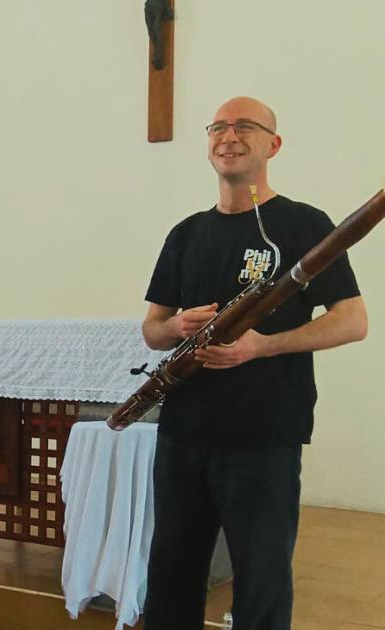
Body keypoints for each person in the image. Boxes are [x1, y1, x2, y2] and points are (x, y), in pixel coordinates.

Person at [139, 97, 368, 629]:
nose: (228, 135)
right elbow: (152, 330)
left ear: (273, 144)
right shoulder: (186, 233)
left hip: (264, 435)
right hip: (183, 434)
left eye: (244, 126)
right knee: (171, 575)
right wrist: (175, 327)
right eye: (218, 127)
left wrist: (262, 345)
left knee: (261, 580)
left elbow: (352, 321)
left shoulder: (305, 224)